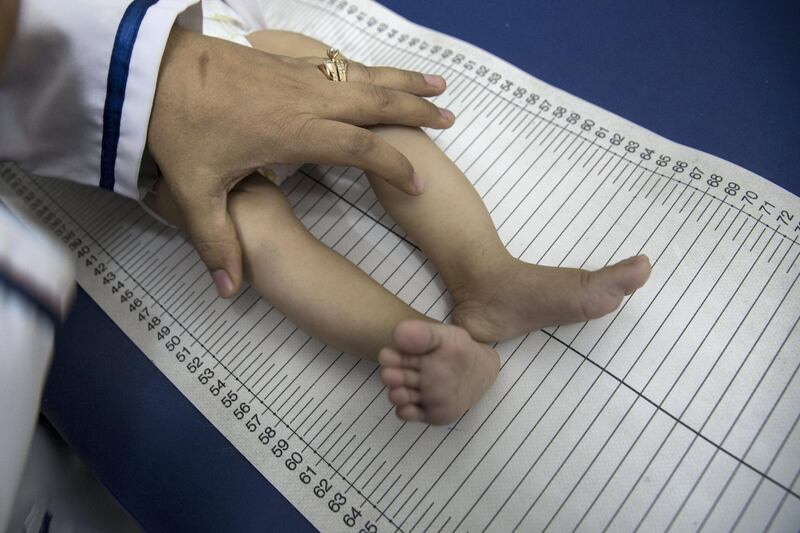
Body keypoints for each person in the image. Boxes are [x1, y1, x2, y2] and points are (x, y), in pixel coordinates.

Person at [146, 18, 653, 425]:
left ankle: (490, 278)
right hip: (171, 148)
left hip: (253, 67)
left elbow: (309, 54)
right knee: (258, 233)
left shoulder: (216, 17)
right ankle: (422, 344)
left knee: (375, 114)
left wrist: (338, 76)